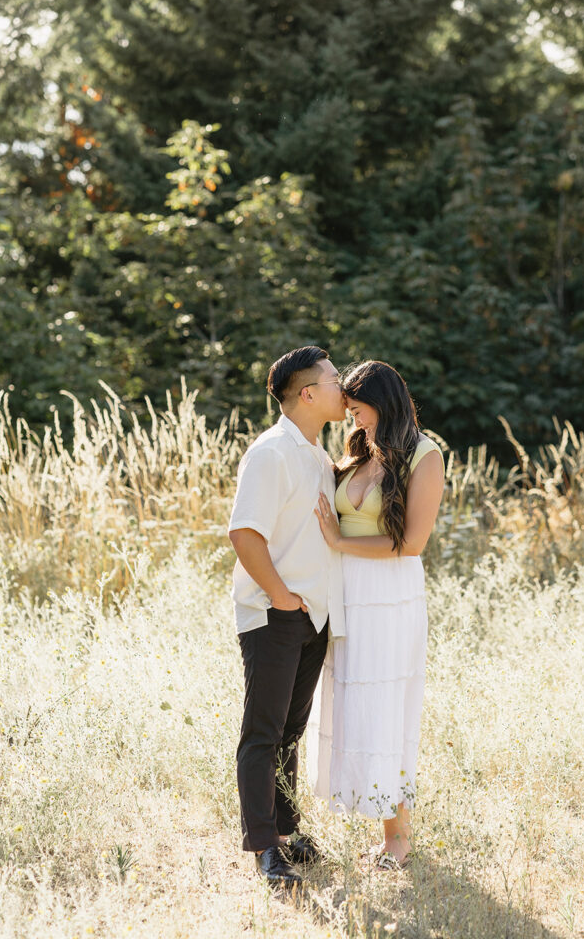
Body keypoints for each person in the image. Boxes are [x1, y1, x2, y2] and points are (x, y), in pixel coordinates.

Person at [309, 360, 444, 868]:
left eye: (357, 406)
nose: (350, 415)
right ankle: (377, 815)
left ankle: (398, 839)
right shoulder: (357, 453)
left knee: (388, 708)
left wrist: (339, 539)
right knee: (355, 706)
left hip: (391, 598)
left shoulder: (424, 455)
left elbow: (411, 544)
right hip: (348, 597)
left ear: (380, 402)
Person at [228, 345, 347, 887]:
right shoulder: (272, 452)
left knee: (290, 733)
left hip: (314, 615)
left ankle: (286, 828)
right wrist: (279, 595)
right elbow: (244, 532)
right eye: (333, 378)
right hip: (276, 613)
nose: (342, 385)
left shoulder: (318, 455)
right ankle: (264, 848)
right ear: (307, 393)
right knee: (263, 731)